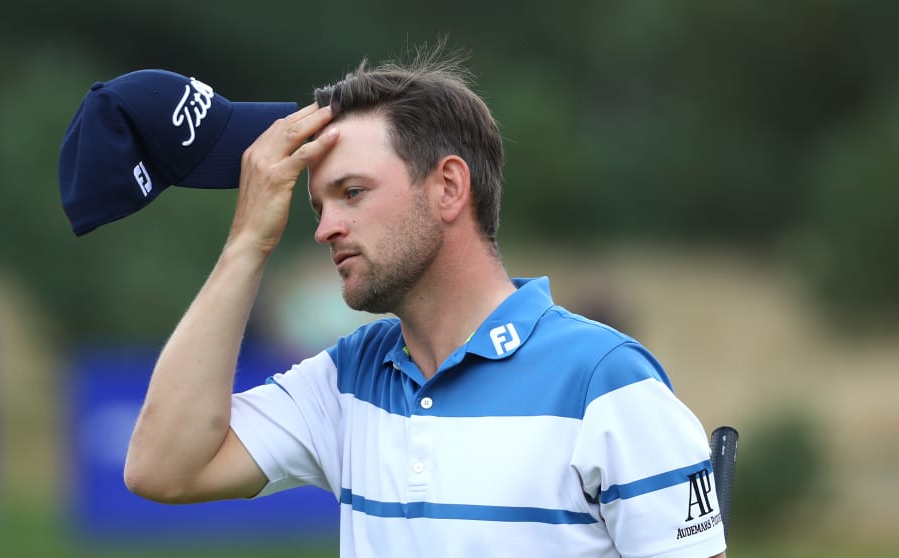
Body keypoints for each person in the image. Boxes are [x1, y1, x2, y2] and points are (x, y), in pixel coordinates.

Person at [123, 47, 728, 558]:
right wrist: (247, 244)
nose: (326, 228)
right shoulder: (348, 381)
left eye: (352, 192)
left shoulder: (607, 381)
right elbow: (163, 468)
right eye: (319, 206)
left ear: (448, 187)